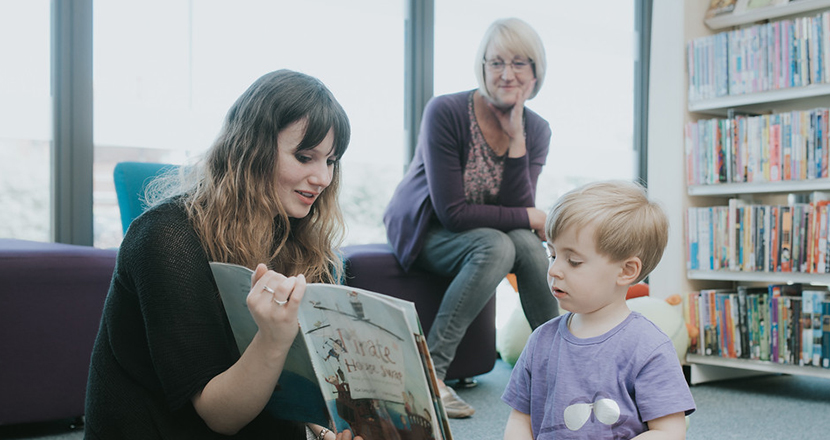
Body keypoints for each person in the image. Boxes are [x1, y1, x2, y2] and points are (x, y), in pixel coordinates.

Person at [85, 69, 362, 440]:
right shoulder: (166, 237)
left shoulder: (304, 242)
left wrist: (325, 429)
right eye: (305, 156)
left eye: (331, 161)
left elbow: (297, 382)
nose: (323, 178)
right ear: (251, 149)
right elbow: (219, 416)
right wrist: (274, 339)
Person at [383, 17, 559, 418]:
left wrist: (516, 140)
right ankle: (430, 378)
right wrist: (532, 213)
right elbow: (453, 212)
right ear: (482, 68)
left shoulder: (537, 129)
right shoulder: (445, 112)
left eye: (519, 63)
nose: (507, 73)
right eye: (496, 62)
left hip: (481, 235)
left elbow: (517, 218)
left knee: (527, 246)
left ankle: (563, 370)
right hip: (426, 230)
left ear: (536, 71)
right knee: (498, 244)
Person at [502, 180, 696, 439]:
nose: (554, 270)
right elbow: (520, 419)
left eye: (573, 261)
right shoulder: (540, 341)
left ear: (626, 271)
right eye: (552, 255)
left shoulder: (648, 347)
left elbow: (669, 431)